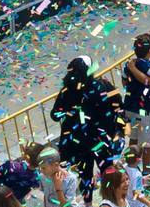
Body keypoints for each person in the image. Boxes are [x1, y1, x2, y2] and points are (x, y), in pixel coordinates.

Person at [52, 55, 125, 185]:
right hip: (101, 138)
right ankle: (111, 197)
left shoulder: (66, 91)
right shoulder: (103, 85)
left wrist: (69, 112)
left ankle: (88, 204)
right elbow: (118, 104)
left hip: (80, 141)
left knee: (85, 174)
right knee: (107, 170)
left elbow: (54, 114)